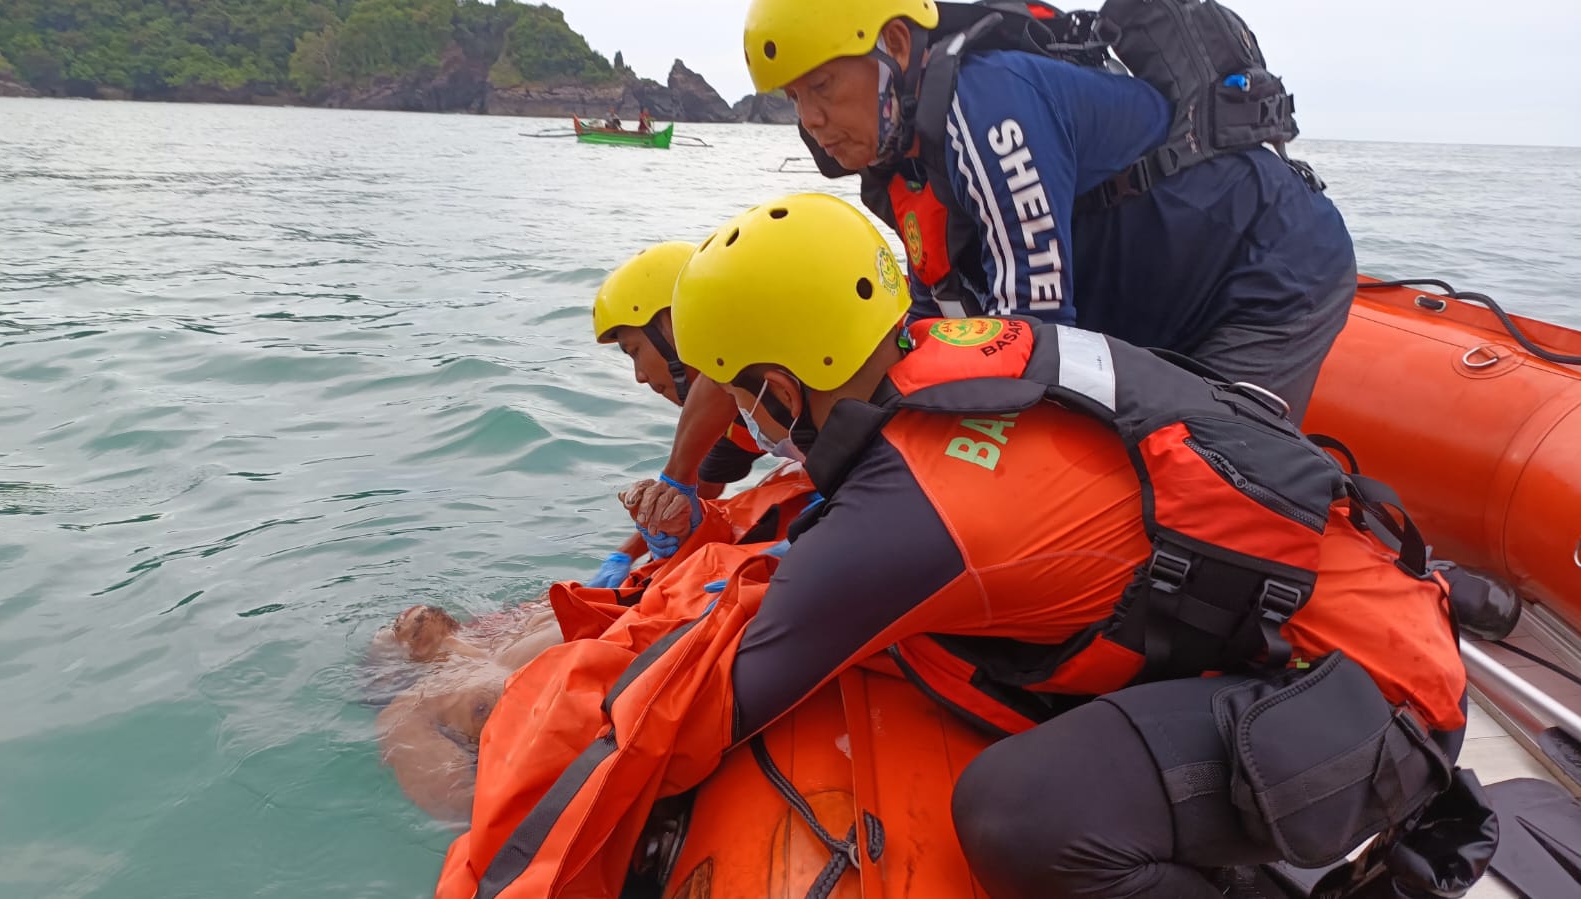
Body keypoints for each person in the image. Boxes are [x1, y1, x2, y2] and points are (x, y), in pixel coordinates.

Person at [658, 192, 1473, 898]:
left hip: (1372, 707)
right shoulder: (955, 358)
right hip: (1350, 623)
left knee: (1021, 815)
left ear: (778, 389)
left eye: (739, 395)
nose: (744, 417)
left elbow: (709, 708)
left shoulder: (907, 512)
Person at [737, 0, 1357, 424]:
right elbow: (938, 303)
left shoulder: (985, 106)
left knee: (1211, 479)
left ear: (895, 46)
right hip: (1158, 291)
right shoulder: (904, 155)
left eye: (822, 87)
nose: (810, 122)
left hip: (1270, 268)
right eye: (794, 98)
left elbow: (1032, 331)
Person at [584, 241, 777, 588]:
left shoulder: (774, 376)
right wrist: (627, 553)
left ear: (675, 324)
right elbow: (704, 485)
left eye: (635, 351)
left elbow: (721, 377)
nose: (640, 376)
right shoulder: (739, 423)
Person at [371, 603, 562, 822]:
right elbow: (465, 807)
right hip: (578, 757)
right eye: (395, 626)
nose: (401, 614)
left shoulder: (524, 622)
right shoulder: (417, 704)